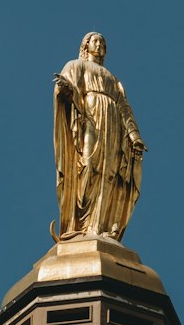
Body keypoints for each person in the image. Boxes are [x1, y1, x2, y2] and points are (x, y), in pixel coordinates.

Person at [53, 32, 146, 241]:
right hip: (90, 118)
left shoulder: (113, 79)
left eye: (103, 42)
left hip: (112, 123)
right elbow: (67, 89)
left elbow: (124, 107)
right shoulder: (75, 66)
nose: (100, 44)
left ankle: (101, 225)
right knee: (88, 166)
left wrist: (133, 135)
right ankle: (81, 223)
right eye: (96, 41)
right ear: (86, 45)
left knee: (111, 171)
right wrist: (67, 91)